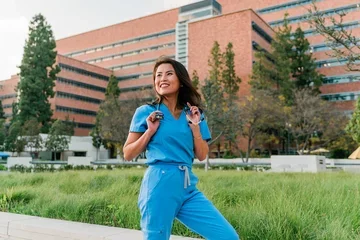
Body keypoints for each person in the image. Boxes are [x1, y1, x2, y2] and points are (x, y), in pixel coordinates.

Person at [123, 56, 239, 240]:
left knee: (227, 237)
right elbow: (128, 153)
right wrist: (149, 132)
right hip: (159, 186)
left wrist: (195, 127)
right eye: (158, 75)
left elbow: (201, 155)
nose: (162, 79)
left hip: (187, 187)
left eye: (169, 74)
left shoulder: (194, 114)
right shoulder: (146, 112)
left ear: (181, 80)